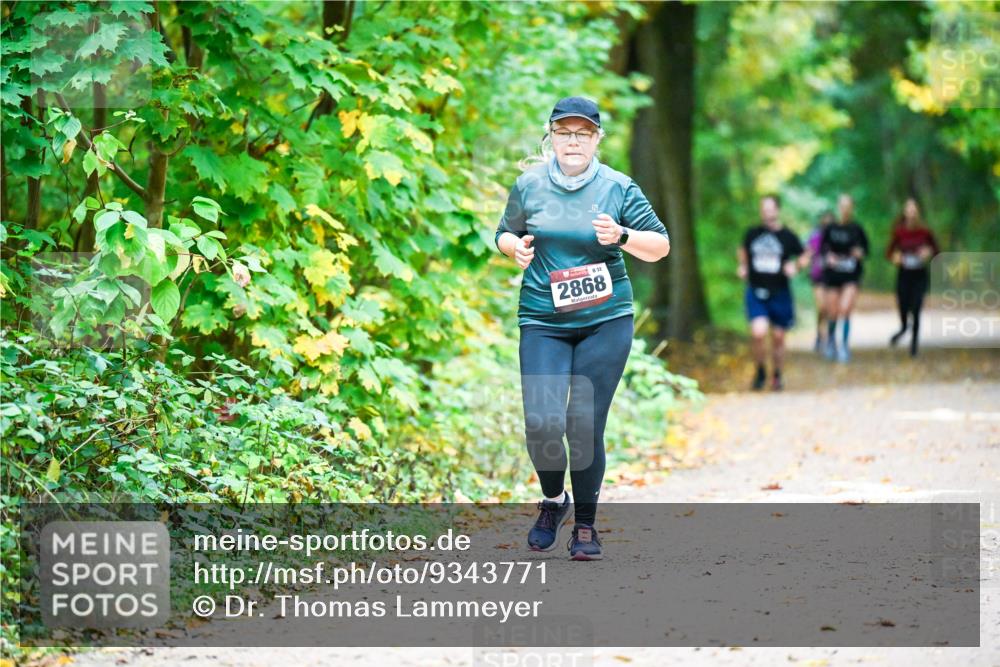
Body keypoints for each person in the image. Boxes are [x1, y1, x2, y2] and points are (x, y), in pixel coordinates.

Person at [494, 96, 670, 560]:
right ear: (550, 135)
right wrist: (515, 248)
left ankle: (586, 527)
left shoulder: (619, 188)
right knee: (542, 422)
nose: (573, 141)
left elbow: (661, 245)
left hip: (605, 320)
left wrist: (625, 237)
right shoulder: (529, 184)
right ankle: (554, 501)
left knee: (583, 422)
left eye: (583, 133)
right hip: (543, 319)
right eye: (564, 132)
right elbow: (503, 232)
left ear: (597, 139)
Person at [737, 194, 805, 391]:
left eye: (770, 209)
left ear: (777, 210)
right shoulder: (753, 233)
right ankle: (760, 370)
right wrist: (743, 266)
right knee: (758, 333)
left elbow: (804, 255)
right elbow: (742, 250)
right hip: (756, 291)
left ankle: (777, 374)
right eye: (763, 209)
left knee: (778, 337)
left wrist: (795, 266)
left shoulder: (788, 236)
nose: (766, 213)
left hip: (780, 292)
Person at [887, 197, 940, 357]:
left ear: (918, 212)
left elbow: (937, 251)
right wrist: (896, 257)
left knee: (916, 308)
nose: (911, 213)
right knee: (903, 306)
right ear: (905, 212)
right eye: (908, 209)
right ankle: (903, 328)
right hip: (904, 275)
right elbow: (889, 252)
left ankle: (914, 346)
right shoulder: (899, 231)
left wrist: (928, 252)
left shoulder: (925, 232)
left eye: (914, 209)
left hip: (919, 276)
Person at [821, 193, 869, 363]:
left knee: (845, 308)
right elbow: (821, 250)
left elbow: (865, 251)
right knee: (833, 311)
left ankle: (844, 345)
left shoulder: (857, 229)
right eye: (842, 206)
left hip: (851, 275)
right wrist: (828, 257)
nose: (844, 209)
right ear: (838, 207)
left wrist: (859, 253)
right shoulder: (829, 229)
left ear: (852, 208)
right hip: (833, 276)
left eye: (848, 206)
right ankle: (831, 341)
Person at [805, 210, 835, 353]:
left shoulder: (836, 236)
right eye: (825, 220)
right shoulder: (815, 235)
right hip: (818, 276)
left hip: (833, 277)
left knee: (831, 309)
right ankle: (819, 334)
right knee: (822, 307)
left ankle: (830, 337)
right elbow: (807, 252)